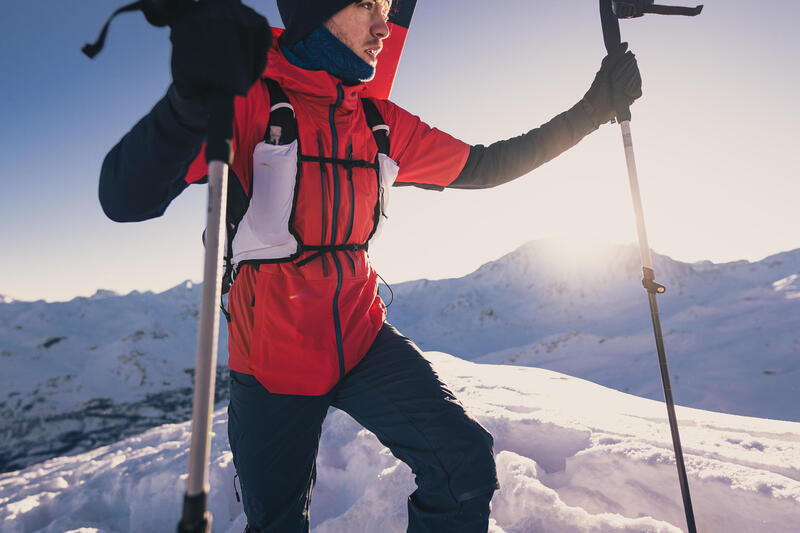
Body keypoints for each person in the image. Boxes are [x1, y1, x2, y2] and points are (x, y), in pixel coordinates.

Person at [98, 1, 642, 531]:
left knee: (463, 465)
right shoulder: (247, 103)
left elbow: (486, 165)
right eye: (366, 5)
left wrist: (592, 110)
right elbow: (125, 199)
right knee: (277, 523)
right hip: (271, 362)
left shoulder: (376, 120)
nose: (385, 26)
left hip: (361, 339)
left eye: (387, 6)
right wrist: (188, 101)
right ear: (314, 11)